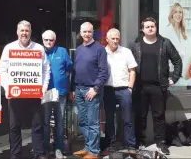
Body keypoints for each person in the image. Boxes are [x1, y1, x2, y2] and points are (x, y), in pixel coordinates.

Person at [0, 20, 50, 159]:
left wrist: (44, 87)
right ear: (17, 32)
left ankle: (38, 153)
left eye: (27, 30)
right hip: (15, 95)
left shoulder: (39, 48)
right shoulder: (9, 48)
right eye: (22, 30)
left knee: (37, 125)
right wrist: (7, 87)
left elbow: (46, 69)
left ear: (30, 32)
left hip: (34, 95)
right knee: (14, 126)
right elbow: (2, 69)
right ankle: (15, 154)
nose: (24, 33)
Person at [130, 17, 182, 155]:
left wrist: (174, 78)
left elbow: (177, 60)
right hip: (140, 87)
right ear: (142, 29)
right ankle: (139, 142)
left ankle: (161, 143)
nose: (150, 29)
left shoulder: (164, 43)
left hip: (158, 87)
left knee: (159, 117)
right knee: (140, 116)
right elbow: (129, 65)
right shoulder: (136, 44)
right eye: (147, 27)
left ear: (156, 27)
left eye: (152, 26)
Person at [70, 22, 109, 159]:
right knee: (83, 122)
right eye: (84, 32)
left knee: (93, 123)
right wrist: (73, 88)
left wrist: (96, 88)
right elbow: (75, 70)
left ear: (93, 32)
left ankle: (94, 151)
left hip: (91, 90)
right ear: (80, 33)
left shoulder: (99, 49)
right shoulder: (79, 49)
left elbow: (104, 72)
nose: (86, 34)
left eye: (89, 32)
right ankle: (87, 147)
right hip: (79, 89)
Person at [103, 28, 137, 154]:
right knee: (109, 119)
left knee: (127, 119)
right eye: (113, 38)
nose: (116, 41)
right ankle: (110, 144)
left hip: (124, 90)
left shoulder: (126, 52)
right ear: (107, 39)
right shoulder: (102, 52)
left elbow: (132, 71)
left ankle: (131, 146)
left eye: (117, 38)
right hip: (108, 89)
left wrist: (130, 88)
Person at [41, 30, 73, 159]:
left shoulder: (62, 51)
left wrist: (63, 78)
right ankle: (46, 149)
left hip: (60, 93)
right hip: (45, 92)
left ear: (55, 40)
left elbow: (69, 67)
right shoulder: (39, 52)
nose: (49, 42)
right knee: (46, 122)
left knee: (60, 122)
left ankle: (59, 148)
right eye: (46, 40)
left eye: (51, 40)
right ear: (43, 40)